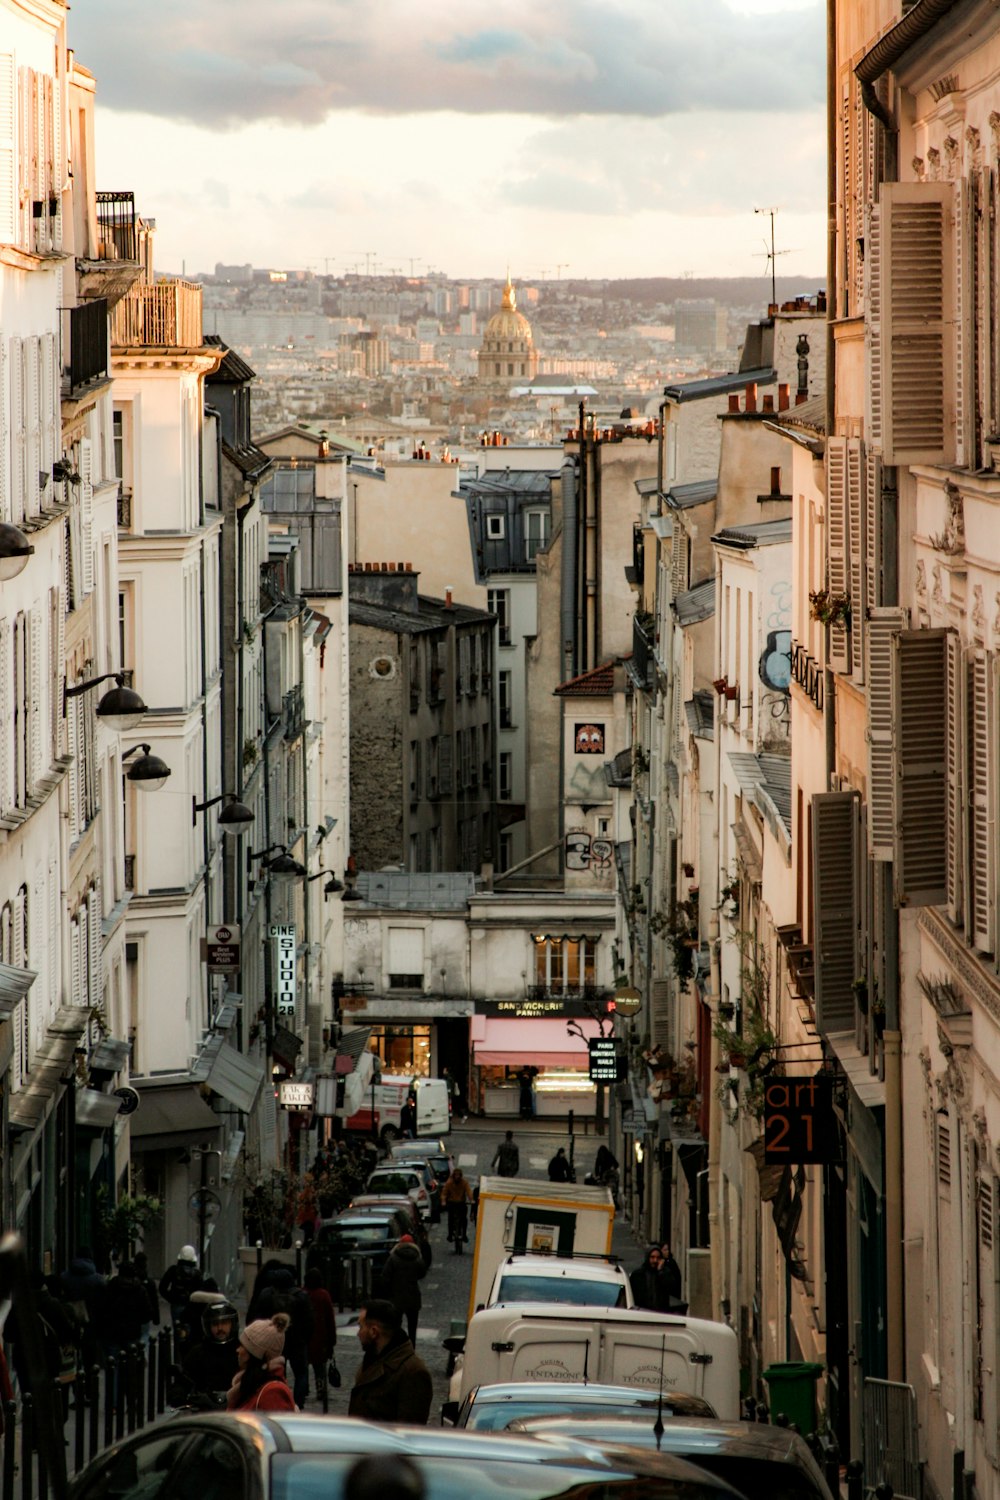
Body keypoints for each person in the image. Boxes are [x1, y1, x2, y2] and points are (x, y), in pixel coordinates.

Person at [348, 1299, 432, 1425]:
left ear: (373, 1332)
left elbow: (409, 1433)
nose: (358, 1333)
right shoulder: (373, 1358)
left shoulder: (412, 1372)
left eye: (361, 1326)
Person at [247, 1260, 313, 1410]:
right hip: (297, 1341)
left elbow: (259, 1317)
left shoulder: (266, 1295)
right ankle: (298, 1403)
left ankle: (281, 1400)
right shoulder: (301, 1296)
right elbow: (309, 1321)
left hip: (275, 1341)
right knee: (301, 1374)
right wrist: (304, 1339)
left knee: (276, 1373)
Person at [170, 1294, 240, 1405]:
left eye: (224, 1323)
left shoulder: (241, 1351)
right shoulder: (197, 1353)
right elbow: (185, 1379)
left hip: (236, 1409)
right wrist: (178, 1394)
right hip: (205, 1409)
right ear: (208, 1326)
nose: (220, 1328)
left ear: (233, 1324)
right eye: (215, 1324)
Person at [226, 1312, 296, 1413]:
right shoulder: (253, 1383)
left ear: (254, 1354)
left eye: (243, 1346)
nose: (238, 1350)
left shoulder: (273, 1393)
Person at [378, 1234, 426, 1344]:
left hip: (396, 1298)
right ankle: (411, 1348)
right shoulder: (416, 1258)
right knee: (412, 1328)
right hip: (413, 1297)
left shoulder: (393, 1258)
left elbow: (385, 1277)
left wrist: (387, 1293)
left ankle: (397, 1348)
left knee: (395, 1327)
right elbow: (422, 1272)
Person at [304, 1268, 337, 1404]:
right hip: (320, 1338)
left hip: (305, 1337)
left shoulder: (302, 1294)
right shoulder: (323, 1295)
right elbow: (330, 1319)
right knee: (320, 1368)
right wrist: (332, 1340)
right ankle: (321, 1390)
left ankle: (303, 1389)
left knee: (303, 1368)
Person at [158, 1245, 204, 1342]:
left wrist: (171, 1298)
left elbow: (162, 1287)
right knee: (190, 1331)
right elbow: (201, 1291)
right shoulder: (197, 1273)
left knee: (178, 1330)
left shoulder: (173, 1270)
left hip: (177, 1304)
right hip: (191, 1305)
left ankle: (178, 1352)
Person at [440, 1167, 472, 1253]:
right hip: (452, 1203)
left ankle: (464, 1235)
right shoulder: (449, 1183)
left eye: (459, 1176)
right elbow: (444, 1193)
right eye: (456, 1176)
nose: (457, 1178)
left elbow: (469, 1192)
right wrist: (443, 1201)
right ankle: (450, 1235)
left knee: (464, 1219)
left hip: (461, 1203)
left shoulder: (464, 1183)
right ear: (453, 1176)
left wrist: (471, 1199)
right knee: (450, 1219)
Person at [132, 1252, 160, 1345]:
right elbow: (154, 1300)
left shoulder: (131, 1279)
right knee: (144, 1335)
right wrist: (156, 1317)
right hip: (144, 1313)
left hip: (132, 1313)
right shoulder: (149, 1282)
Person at [630, 1246, 667, 1311]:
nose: (655, 1260)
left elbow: (671, 1287)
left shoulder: (664, 1273)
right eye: (652, 1257)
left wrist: (660, 1272)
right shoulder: (638, 1274)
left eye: (658, 1258)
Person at [660, 1243, 685, 1310]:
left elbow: (677, 1277)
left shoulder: (672, 1263)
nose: (667, 1252)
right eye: (664, 1250)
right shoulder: (659, 1263)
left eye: (667, 1250)